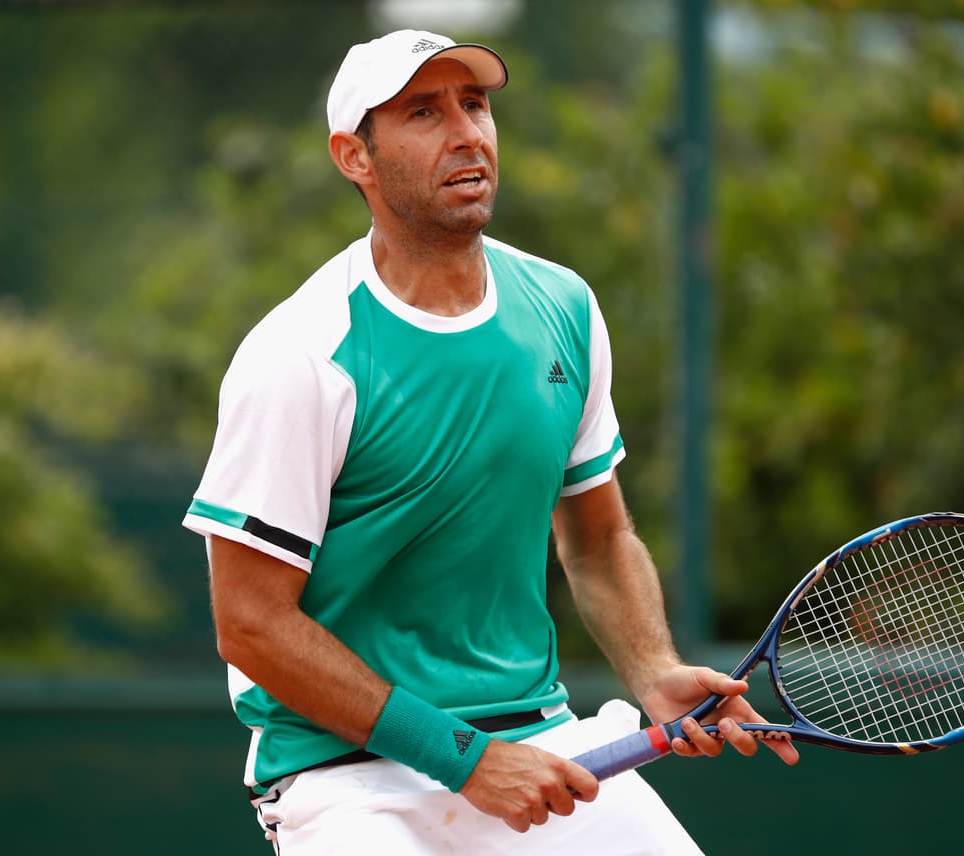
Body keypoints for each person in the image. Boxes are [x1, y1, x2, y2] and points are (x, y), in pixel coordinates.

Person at [183, 28, 798, 854]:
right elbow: (250, 624)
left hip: (536, 737)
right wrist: (463, 758)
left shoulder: (563, 309)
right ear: (353, 157)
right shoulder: (300, 354)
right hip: (347, 774)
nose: (467, 132)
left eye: (474, 104)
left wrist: (652, 667)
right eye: (423, 112)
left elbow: (600, 536)